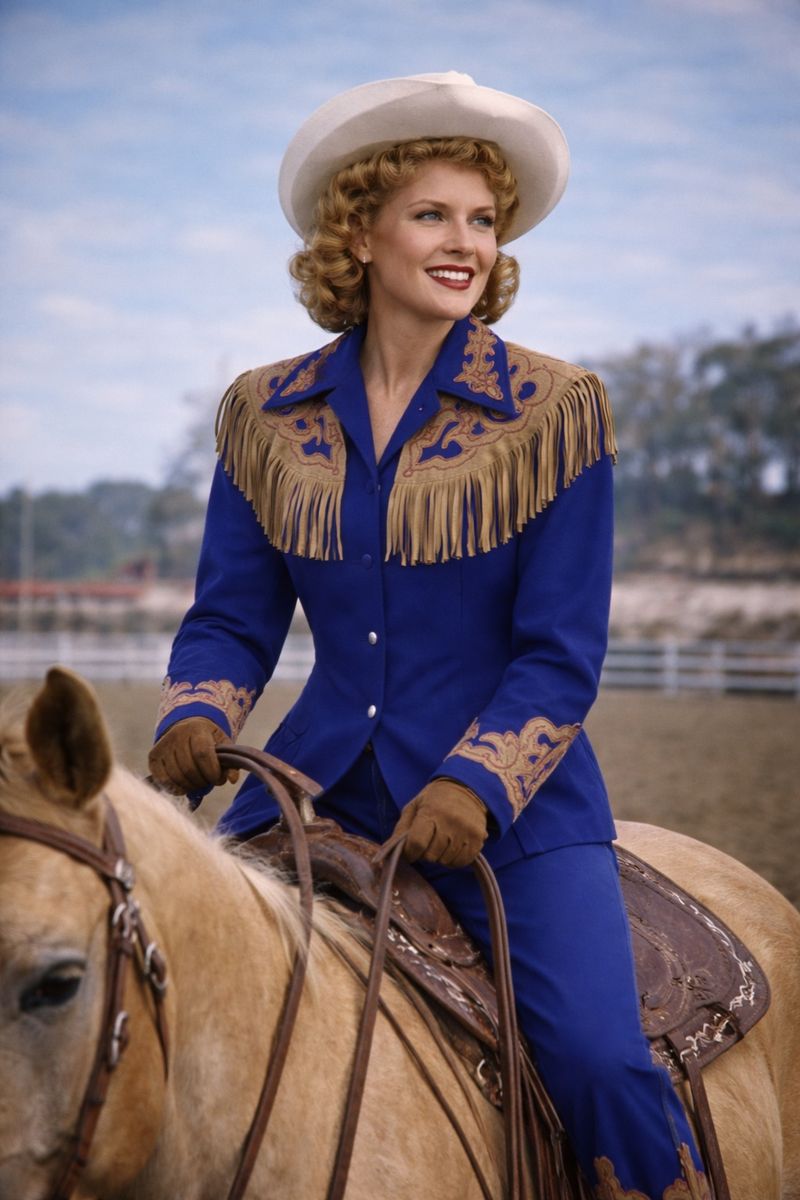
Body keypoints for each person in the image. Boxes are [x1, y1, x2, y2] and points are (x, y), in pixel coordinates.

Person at [149, 72, 711, 1199]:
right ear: (357, 234)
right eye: (431, 215)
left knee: (601, 1062)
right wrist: (199, 709)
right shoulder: (265, 413)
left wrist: (476, 785)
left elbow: (560, 654)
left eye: (482, 221)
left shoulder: (553, 411)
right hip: (307, 782)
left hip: (504, 808)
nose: (465, 244)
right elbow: (230, 613)